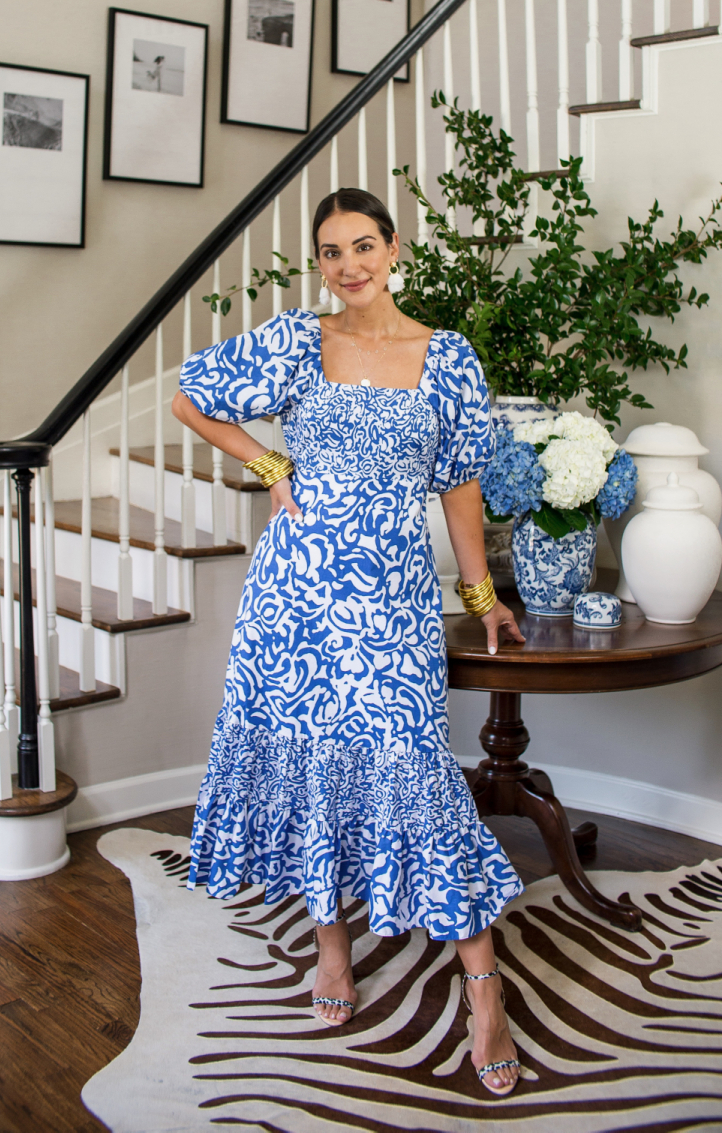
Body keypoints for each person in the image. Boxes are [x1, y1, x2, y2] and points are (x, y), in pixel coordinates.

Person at [171, 187, 526, 1096]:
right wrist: (266, 462)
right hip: (294, 596)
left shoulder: (446, 359)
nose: (349, 266)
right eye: (331, 253)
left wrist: (480, 594)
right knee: (312, 763)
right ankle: (333, 950)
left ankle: (483, 993)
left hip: (392, 598)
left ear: (394, 247)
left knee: (413, 764)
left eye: (362, 246)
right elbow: (191, 397)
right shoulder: (297, 340)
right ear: (319, 264)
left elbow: (461, 492)